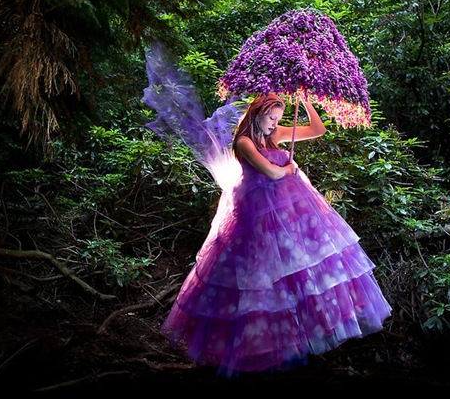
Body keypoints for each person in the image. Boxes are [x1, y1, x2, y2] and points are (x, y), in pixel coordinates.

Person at [158, 92, 392, 377]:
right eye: (271, 118)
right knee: (257, 275)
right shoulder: (244, 142)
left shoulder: (275, 135)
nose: (274, 125)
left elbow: (318, 130)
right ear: (258, 114)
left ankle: (298, 339)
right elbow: (270, 172)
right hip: (253, 215)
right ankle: (252, 348)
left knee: (295, 270)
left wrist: (305, 102)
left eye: (278, 119)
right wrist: (289, 168)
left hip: (286, 213)